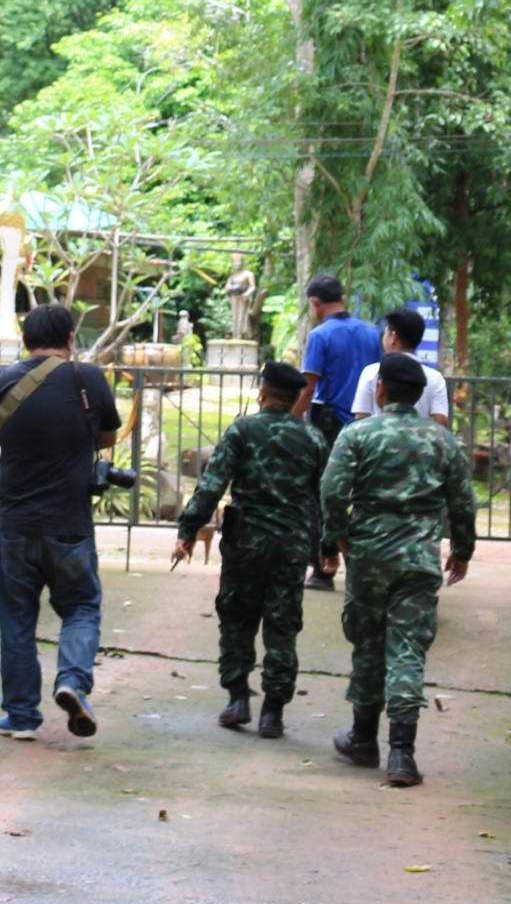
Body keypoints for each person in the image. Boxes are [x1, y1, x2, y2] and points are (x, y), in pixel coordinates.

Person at [0, 302, 119, 739]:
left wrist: (2, 426)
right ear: (68, 340)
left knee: (17, 619)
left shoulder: (1, 381)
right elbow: (108, 437)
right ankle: (73, 682)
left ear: (24, 341)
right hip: (70, 523)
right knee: (80, 607)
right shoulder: (88, 378)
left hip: (16, 523)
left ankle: (21, 716)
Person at [321, 353, 476, 788]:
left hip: (369, 555)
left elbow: (332, 489)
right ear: (422, 393)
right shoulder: (442, 440)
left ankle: (363, 738)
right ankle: (402, 756)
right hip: (419, 558)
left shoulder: (358, 433)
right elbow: (463, 501)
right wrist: (462, 549)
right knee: (407, 648)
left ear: (381, 389)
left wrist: (337, 537)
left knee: (368, 644)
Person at [172, 359, 330, 738]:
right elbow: (324, 497)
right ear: (296, 398)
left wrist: (188, 530)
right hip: (291, 544)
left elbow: (213, 483)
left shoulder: (243, 429)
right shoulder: (313, 439)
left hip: (245, 541)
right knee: (282, 623)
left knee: (237, 616)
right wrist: (327, 543)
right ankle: (273, 712)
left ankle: (238, 699)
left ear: (262, 392)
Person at [293, 274, 379, 589]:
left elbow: (308, 387)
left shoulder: (321, 335)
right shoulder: (372, 333)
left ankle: (323, 568)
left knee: (321, 495)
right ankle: (365, 569)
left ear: (315, 303)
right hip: (366, 425)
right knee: (365, 496)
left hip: (329, 427)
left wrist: (287, 419)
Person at [350, 306, 450, 425]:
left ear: (393, 336)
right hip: (420, 441)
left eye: (385, 333)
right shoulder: (435, 378)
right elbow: (441, 422)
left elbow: (360, 419)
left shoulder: (372, 372)